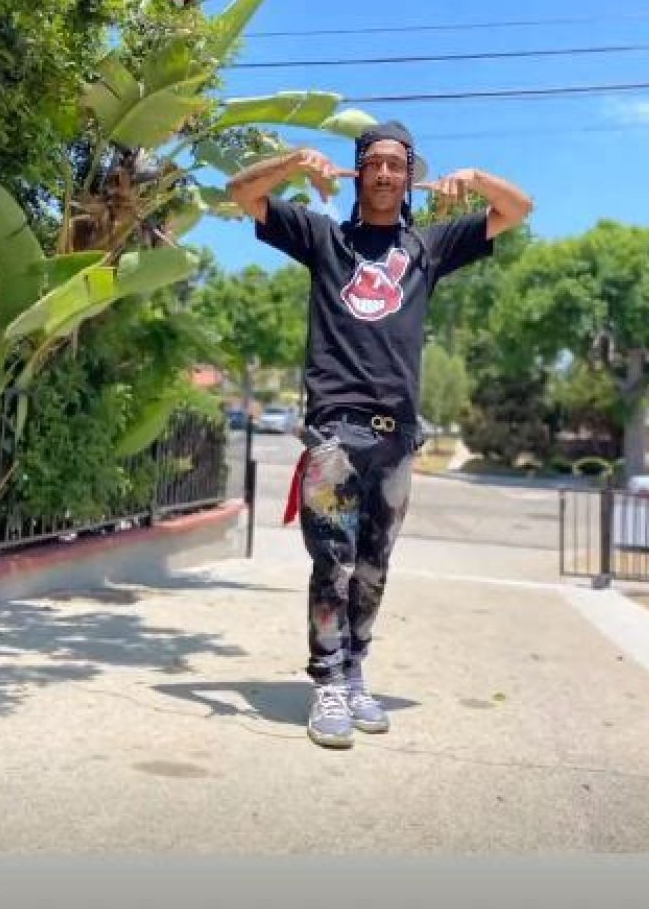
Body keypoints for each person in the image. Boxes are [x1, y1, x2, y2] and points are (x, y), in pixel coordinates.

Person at [227, 122, 533, 749]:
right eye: (375, 163)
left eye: (398, 164)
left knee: (373, 569)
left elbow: (518, 210)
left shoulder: (429, 247)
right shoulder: (324, 238)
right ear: (358, 172)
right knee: (332, 564)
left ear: (410, 176)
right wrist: (291, 163)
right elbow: (242, 195)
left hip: (397, 438)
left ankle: (354, 671)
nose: (386, 174)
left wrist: (474, 179)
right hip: (335, 433)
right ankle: (328, 684)